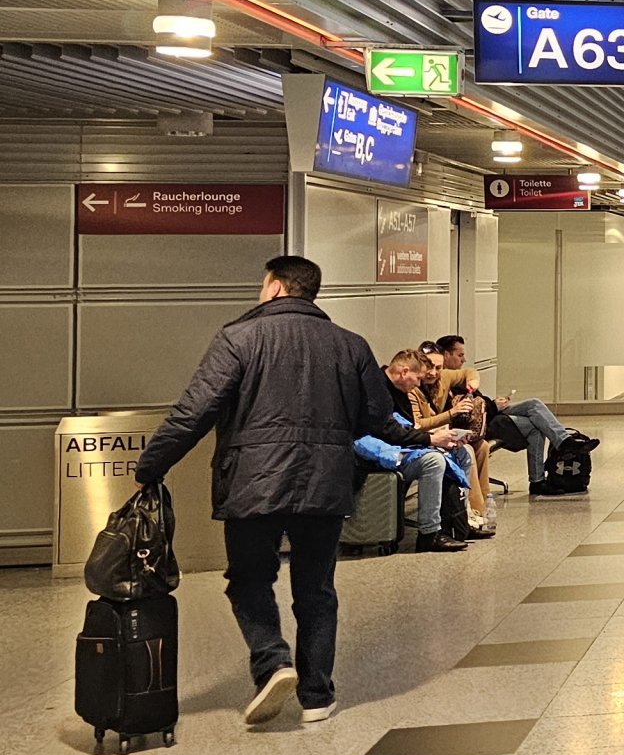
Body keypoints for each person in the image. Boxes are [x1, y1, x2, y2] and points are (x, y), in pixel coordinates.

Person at [131, 255, 381, 727]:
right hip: (326, 483)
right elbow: (375, 416)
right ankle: (317, 696)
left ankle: (272, 661)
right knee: (316, 589)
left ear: (276, 287)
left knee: (249, 581)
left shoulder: (238, 338)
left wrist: (151, 466)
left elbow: (194, 412)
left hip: (252, 482)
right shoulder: (351, 344)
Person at [431, 336, 589, 485]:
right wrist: (493, 406)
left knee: (534, 404)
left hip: (489, 414)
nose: (463, 360)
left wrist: (495, 403)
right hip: (480, 423)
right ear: (446, 355)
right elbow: (467, 411)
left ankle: (563, 442)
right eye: (460, 355)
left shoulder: (459, 377)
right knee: (535, 426)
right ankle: (539, 479)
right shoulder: (443, 383)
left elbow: (478, 400)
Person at [376, 350, 480, 548]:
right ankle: (429, 532)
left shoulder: (400, 390)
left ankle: (459, 521)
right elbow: (390, 432)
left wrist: (439, 439)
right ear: (404, 372)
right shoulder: (378, 391)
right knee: (434, 460)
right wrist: (431, 439)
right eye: (417, 378)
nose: (418, 384)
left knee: (462, 453)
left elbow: (407, 428)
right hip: (383, 451)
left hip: (401, 444)